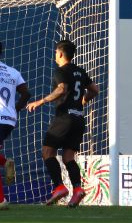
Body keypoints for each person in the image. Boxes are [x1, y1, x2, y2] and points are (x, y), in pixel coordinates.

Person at [27, 40, 99, 208]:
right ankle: (78, 189)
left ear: (60, 53)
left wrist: (40, 101)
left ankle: (59, 187)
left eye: (55, 53)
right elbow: (95, 89)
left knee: (47, 152)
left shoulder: (61, 71)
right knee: (68, 157)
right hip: (78, 119)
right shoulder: (80, 71)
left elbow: (62, 89)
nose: (55, 56)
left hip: (64, 118)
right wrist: (82, 100)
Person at [0, 39, 31, 210]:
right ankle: (5, 162)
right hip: (9, 120)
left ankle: (1, 199)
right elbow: (26, 93)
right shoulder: (12, 71)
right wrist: (14, 109)